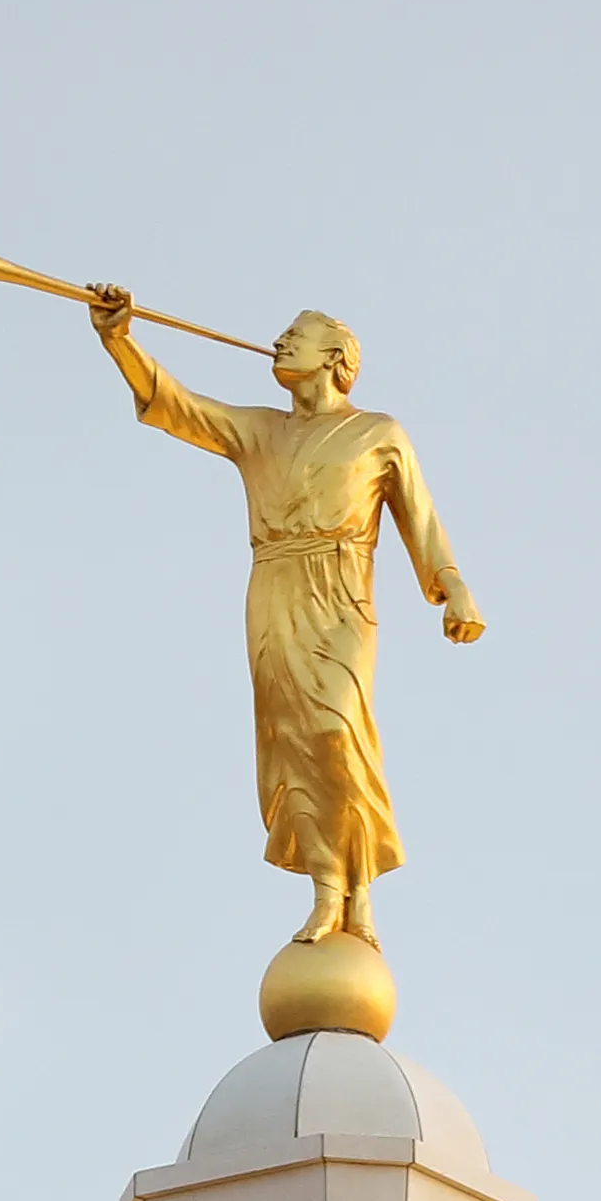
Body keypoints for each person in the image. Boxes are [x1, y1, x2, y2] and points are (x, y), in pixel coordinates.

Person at [87, 292, 484, 944]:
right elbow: (180, 408)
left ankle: (361, 885)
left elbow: (421, 520)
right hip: (275, 584)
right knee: (293, 740)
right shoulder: (262, 431)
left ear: (334, 359)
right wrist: (120, 341)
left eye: (294, 336)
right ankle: (331, 889)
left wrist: (453, 588)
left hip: (340, 588)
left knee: (337, 728)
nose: (279, 342)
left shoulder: (377, 433)